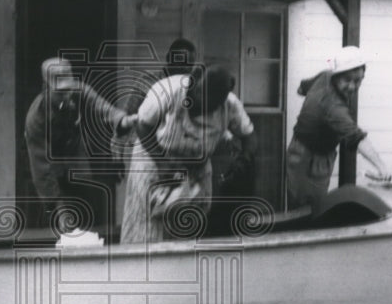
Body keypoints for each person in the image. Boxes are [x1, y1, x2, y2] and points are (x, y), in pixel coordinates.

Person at [121, 65, 256, 244]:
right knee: (148, 232)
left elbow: (250, 136)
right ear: (193, 83)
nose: (203, 106)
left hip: (197, 169)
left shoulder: (230, 105)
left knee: (187, 231)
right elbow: (142, 124)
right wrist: (162, 162)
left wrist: (244, 159)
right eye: (201, 96)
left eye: (211, 105)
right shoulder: (168, 90)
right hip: (154, 159)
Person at [24, 57, 136, 235]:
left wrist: (121, 119)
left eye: (69, 89)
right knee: (57, 231)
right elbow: (41, 169)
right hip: (50, 177)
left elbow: (102, 107)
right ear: (47, 88)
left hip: (77, 167)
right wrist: (59, 208)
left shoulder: (79, 91)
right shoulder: (36, 118)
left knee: (87, 225)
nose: (67, 95)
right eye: (61, 92)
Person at [286, 45, 391, 213]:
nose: (352, 86)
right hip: (311, 159)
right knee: (309, 212)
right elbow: (356, 138)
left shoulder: (324, 76)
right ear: (336, 77)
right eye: (347, 80)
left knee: (300, 207)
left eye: (357, 80)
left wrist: (313, 108)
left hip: (299, 150)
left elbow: (301, 88)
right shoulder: (333, 107)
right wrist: (382, 167)